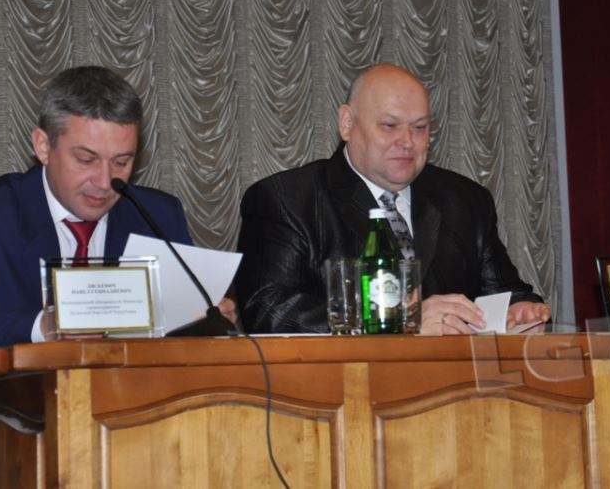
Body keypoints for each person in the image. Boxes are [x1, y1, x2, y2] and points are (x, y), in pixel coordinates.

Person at [235, 63, 551, 334]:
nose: (407, 141)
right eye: (389, 126)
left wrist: (520, 310)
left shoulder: (465, 200)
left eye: (420, 127)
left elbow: (502, 292)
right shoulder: (286, 200)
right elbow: (267, 310)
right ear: (347, 123)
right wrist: (402, 320)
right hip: (341, 382)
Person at [0, 66, 236, 346]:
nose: (104, 182)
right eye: (86, 160)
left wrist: (207, 321)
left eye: (121, 162)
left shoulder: (158, 215)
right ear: (43, 146)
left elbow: (179, 333)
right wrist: (43, 327)